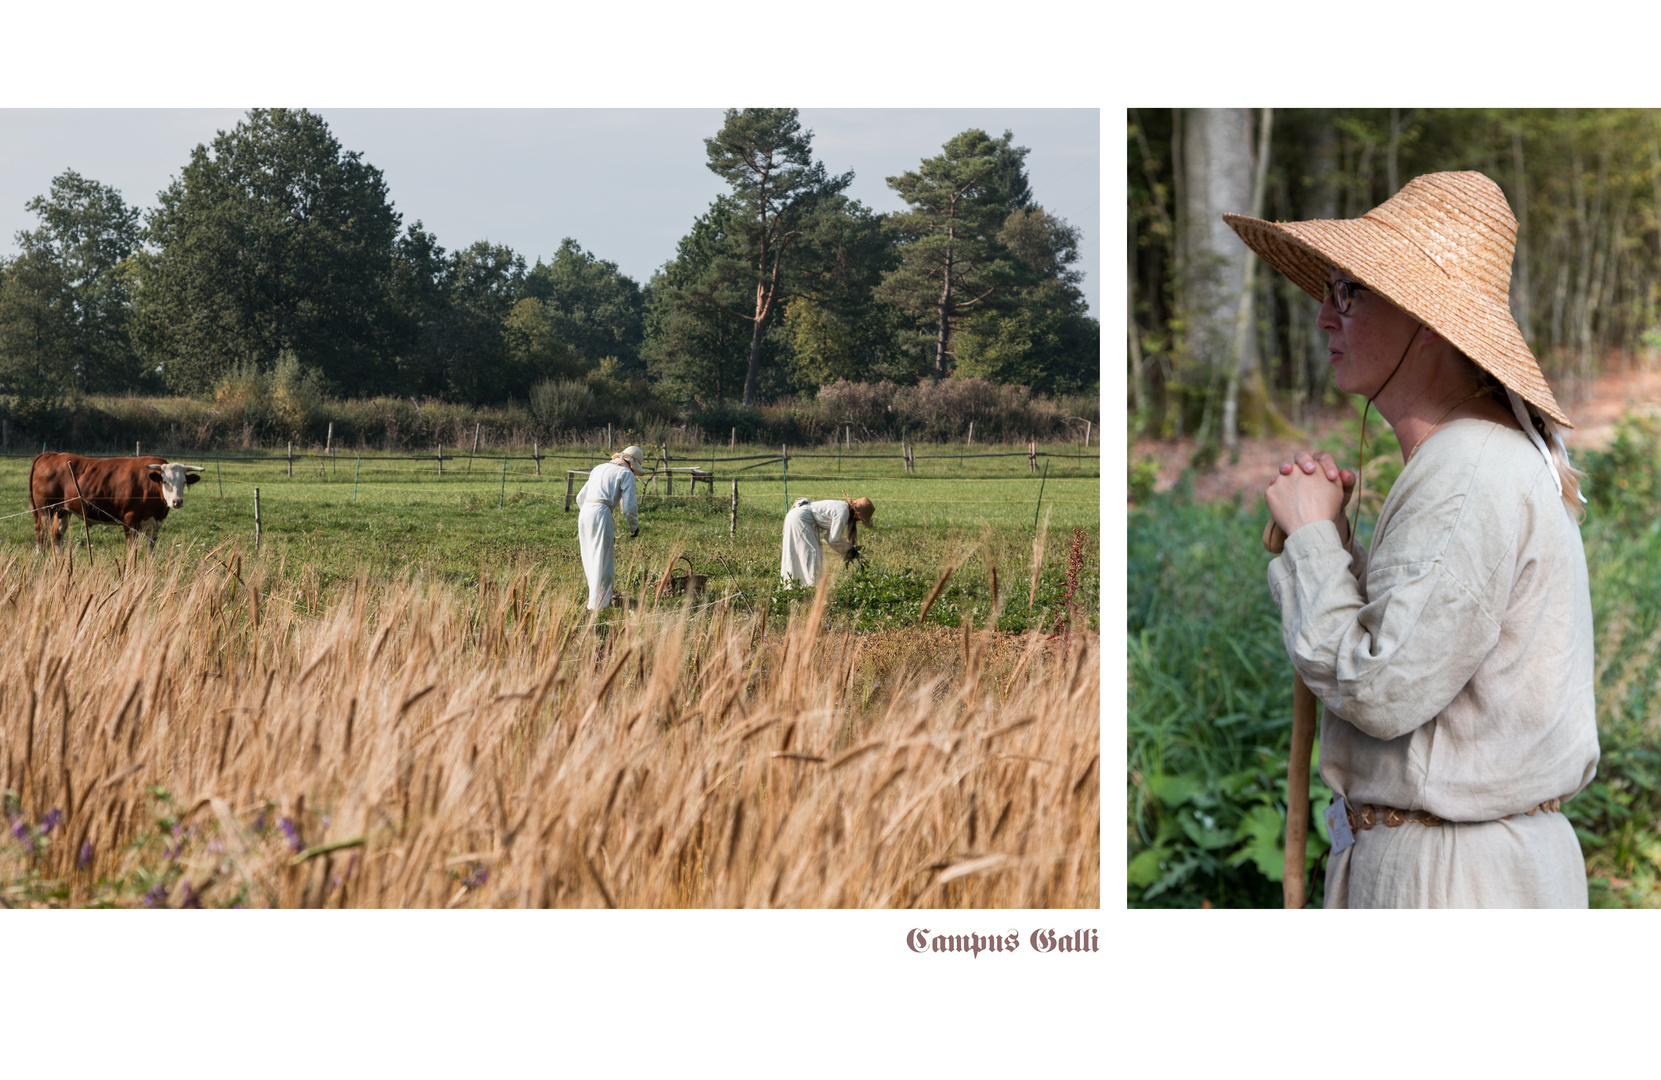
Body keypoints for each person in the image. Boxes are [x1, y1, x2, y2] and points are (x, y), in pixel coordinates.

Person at [1224, 170, 1599, 908]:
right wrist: (1333, 544)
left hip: (1452, 882)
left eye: (1349, 294)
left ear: (1425, 319)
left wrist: (1309, 542)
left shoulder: (1467, 468)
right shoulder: (1470, 459)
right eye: (1329, 293)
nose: (1324, 319)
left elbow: (1381, 685)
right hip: (1450, 865)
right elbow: (1421, 644)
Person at [575, 445, 644, 611]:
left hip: (584, 512)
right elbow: (629, 506)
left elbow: (579, 497)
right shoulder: (626, 474)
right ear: (632, 464)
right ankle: (600, 606)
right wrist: (633, 527)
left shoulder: (599, 469)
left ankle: (594, 602)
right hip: (601, 512)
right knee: (604, 560)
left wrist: (587, 515)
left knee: (589, 558)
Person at [780, 495, 875, 587]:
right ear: (856, 515)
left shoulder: (842, 508)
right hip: (800, 520)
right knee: (811, 553)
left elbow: (828, 537)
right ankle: (811, 587)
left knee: (801, 553)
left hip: (797, 517)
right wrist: (850, 549)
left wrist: (848, 550)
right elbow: (833, 539)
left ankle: (795, 585)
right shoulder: (843, 513)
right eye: (858, 519)